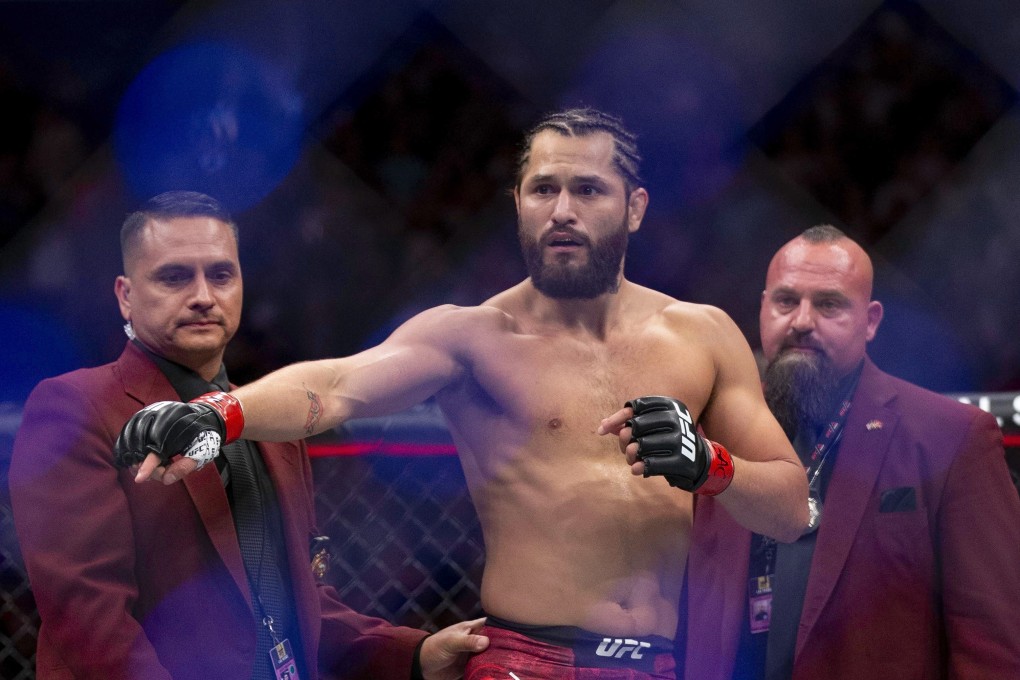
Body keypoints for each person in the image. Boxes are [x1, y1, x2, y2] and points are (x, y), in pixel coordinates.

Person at [114, 110, 808, 680]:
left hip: (661, 665)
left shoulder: (704, 335)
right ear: (518, 204)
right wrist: (219, 412)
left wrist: (709, 466)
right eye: (543, 189)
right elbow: (334, 387)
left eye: (589, 190)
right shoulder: (471, 338)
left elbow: (790, 508)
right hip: (522, 663)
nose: (562, 210)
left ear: (635, 208)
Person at [8, 191, 488, 680]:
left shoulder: (272, 418)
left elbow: (301, 607)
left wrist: (415, 654)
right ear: (125, 295)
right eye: (174, 276)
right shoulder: (77, 407)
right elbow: (91, 622)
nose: (202, 295)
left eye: (220, 274)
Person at [683, 225, 1020, 680]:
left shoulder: (951, 436)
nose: (802, 321)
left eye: (829, 304)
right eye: (786, 301)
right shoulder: (709, 437)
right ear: (762, 309)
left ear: (872, 320)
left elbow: (993, 640)